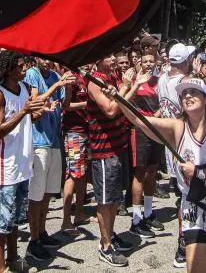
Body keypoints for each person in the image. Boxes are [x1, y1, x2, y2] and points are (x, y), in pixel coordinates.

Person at [111, 76, 206, 273]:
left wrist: (201, 172)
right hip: (197, 212)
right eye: (183, 93)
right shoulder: (177, 128)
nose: (187, 96)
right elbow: (140, 120)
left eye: (193, 92)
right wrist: (118, 97)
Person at [0, 50, 44, 273]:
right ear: (8, 69)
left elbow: (31, 116)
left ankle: (13, 258)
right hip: (6, 166)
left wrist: (40, 110)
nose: (24, 69)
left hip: (23, 164)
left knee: (14, 219)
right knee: (1, 221)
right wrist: (24, 111)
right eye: (20, 66)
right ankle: (0, 268)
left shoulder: (24, 89)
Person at [86, 52, 136, 267]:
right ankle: (105, 246)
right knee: (105, 201)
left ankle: (111, 235)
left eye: (115, 55)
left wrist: (129, 85)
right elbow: (110, 110)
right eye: (108, 56)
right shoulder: (95, 81)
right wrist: (125, 88)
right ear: (98, 60)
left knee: (114, 198)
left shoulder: (113, 78)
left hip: (118, 146)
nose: (114, 59)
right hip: (103, 149)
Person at [23, 58, 75, 262]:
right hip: (38, 142)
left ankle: (42, 232)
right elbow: (35, 101)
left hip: (53, 139)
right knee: (35, 195)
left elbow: (66, 105)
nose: (47, 61)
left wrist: (68, 88)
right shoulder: (33, 74)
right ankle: (33, 238)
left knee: (46, 193)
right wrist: (57, 85)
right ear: (36, 58)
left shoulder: (55, 75)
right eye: (42, 57)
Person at [157, 42, 197, 268]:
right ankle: (183, 245)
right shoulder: (184, 83)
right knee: (188, 197)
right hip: (184, 144)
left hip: (169, 144)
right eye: (189, 58)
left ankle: (189, 240)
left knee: (185, 195)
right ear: (184, 61)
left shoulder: (163, 78)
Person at [128, 39, 166, 237]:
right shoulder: (133, 80)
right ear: (140, 62)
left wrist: (157, 116)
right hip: (140, 131)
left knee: (152, 171)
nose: (149, 63)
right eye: (146, 61)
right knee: (139, 173)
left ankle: (149, 213)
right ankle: (136, 218)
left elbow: (164, 104)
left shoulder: (160, 81)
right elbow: (125, 102)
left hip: (156, 130)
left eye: (152, 60)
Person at [60, 66, 91, 234]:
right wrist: (86, 104)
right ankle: (66, 220)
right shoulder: (70, 76)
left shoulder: (85, 76)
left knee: (82, 173)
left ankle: (79, 213)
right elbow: (65, 105)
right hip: (73, 132)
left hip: (86, 130)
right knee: (72, 174)